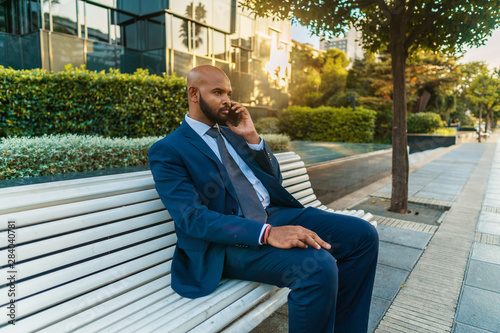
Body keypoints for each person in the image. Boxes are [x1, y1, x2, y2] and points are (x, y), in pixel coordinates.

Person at [148, 65, 379, 333]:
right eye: (218, 92)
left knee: (362, 235)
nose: (227, 100)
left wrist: (252, 138)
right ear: (193, 94)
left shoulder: (233, 134)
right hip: (227, 243)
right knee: (317, 267)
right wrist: (266, 233)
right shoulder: (169, 149)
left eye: (229, 93)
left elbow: (273, 181)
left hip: (273, 212)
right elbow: (191, 219)